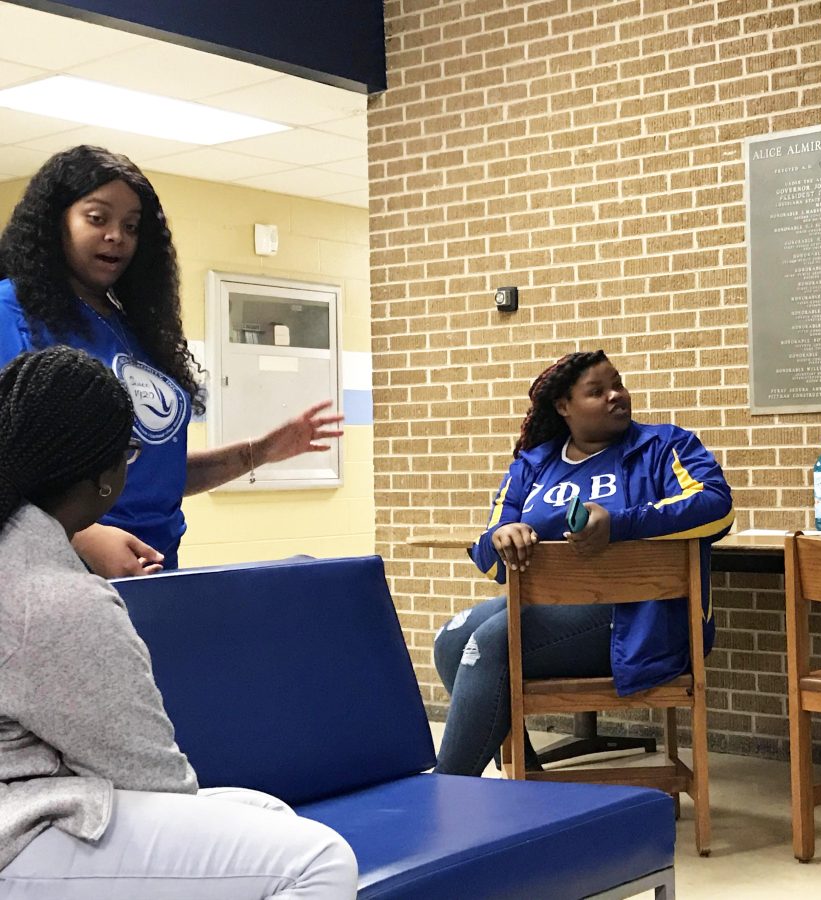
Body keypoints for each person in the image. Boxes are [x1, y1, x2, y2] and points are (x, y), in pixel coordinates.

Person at [0, 346, 357, 898]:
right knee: (318, 860)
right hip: (18, 834)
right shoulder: (57, 599)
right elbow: (153, 780)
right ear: (105, 477)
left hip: (33, 799)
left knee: (267, 812)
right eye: (132, 453)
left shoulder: (19, 554)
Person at [0, 145, 343, 577]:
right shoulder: (11, 311)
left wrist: (260, 452)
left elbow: (157, 475)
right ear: (56, 223)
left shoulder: (133, 328)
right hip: (58, 571)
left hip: (157, 566)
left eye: (131, 226)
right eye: (97, 218)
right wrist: (80, 537)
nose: (116, 236)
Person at [432, 350, 735, 776]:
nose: (616, 396)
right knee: (451, 638)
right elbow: (491, 553)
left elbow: (716, 506)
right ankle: (525, 775)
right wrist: (503, 539)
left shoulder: (664, 445)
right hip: (549, 608)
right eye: (597, 391)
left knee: (493, 642)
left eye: (618, 385)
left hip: (639, 618)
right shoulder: (533, 465)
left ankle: (447, 790)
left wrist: (621, 524)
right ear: (563, 407)